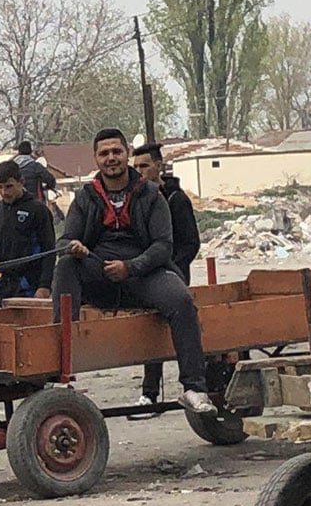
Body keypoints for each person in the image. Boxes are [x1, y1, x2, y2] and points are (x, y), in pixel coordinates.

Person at [51, 128, 216, 414]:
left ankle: (194, 388)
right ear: (96, 158)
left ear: (127, 153)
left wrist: (131, 267)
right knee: (65, 266)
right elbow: (65, 239)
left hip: (144, 273)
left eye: (116, 151)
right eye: (104, 153)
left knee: (181, 300)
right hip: (98, 271)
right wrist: (72, 246)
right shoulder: (85, 197)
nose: (111, 158)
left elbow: (164, 246)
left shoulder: (151, 195)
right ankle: (59, 375)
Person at [131, 141, 201, 411]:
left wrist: (171, 268)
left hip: (173, 277)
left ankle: (194, 385)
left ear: (158, 166)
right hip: (147, 276)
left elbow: (190, 243)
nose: (140, 171)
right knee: (151, 333)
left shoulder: (176, 200)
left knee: (180, 328)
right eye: (135, 167)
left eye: (145, 165)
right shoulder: (139, 200)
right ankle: (149, 393)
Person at [0, 160, 56, 305]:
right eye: (0, 187)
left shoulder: (38, 210)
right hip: (5, 285)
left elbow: (49, 251)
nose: (4, 192)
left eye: (9, 186)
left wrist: (44, 286)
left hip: (30, 285)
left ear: (21, 182)